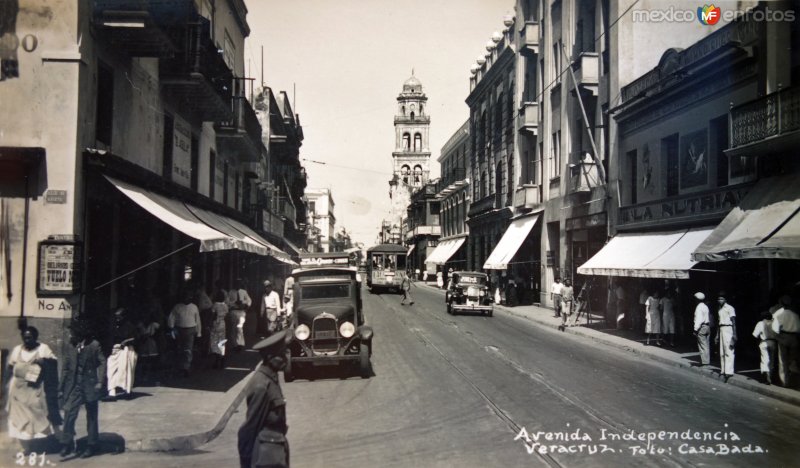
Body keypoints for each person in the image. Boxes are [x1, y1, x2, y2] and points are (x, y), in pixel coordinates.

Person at [238, 330, 291, 468]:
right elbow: (250, 427)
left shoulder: (271, 378)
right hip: (266, 454)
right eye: (281, 355)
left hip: (275, 448)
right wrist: (246, 461)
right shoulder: (261, 385)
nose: (285, 359)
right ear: (269, 357)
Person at [6, 326, 61, 453]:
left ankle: (42, 445)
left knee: (37, 416)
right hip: (18, 390)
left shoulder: (43, 348)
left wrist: (44, 362)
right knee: (19, 418)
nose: (27, 340)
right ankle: (26, 448)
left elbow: (54, 364)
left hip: (35, 390)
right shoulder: (17, 350)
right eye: (25, 338)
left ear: (35, 338)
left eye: (29, 338)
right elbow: (10, 368)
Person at [59, 321, 106, 459]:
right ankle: (67, 443)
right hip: (74, 386)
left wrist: (99, 382)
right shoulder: (70, 345)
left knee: (91, 415)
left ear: (80, 333)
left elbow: (103, 362)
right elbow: (65, 368)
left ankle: (92, 445)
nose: (70, 334)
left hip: (90, 385)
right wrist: (61, 388)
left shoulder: (94, 345)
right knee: (69, 412)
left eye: (73, 332)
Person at [168, 292, 202, 377]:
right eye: (185, 297)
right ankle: (180, 366)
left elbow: (197, 320)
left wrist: (199, 332)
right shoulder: (177, 307)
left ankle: (186, 367)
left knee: (188, 348)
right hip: (179, 329)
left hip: (191, 329)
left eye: (188, 297)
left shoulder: (194, 307)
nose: (186, 299)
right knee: (180, 348)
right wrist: (172, 327)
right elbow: (172, 317)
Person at [107, 308, 138, 398]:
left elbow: (136, 338)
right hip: (115, 350)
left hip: (126, 350)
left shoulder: (130, 326)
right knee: (111, 370)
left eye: (119, 317)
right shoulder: (114, 326)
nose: (117, 319)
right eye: (116, 317)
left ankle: (128, 391)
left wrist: (125, 342)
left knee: (126, 371)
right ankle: (111, 392)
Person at [771, 295, 799, 387]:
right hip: (794, 338)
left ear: (782, 304)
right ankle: (794, 379)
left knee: (783, 360)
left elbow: (774, 328)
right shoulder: (795, 315)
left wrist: (778, 336)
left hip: (783, 337)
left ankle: (784, 381)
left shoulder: (780, 315)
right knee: (793, 359)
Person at [715, 291, 737, 382]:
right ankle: (723, 370)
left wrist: (735, 334)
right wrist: (716, 335)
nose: (720, 300)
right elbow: (718, 322)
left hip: (729, 329)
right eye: (719, 299)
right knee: (722, 351)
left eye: (722, 299)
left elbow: (734, 322)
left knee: (729, 350)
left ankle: (729, 371)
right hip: (722, 329)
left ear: (725, 299)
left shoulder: (730, 308)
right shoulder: (719, 309)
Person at [752, 310, 778, 385]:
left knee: (764, 359)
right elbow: (778, 333)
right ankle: (770, 373)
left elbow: (755, 335)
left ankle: (766, 374)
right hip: (773, 342)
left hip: (764, 342)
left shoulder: (760, 323)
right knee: (772, 359)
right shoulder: (775, 323)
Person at [229, 279, 252, 352]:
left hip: (241, 311)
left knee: (240, 328)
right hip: (234, 311)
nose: (237, 285)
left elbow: (249, 301)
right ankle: (234, 344)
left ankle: (240, 344)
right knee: (233, 329)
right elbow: (227, 302)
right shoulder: (231, 292)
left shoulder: (243, 292)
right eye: (236, 284)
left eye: (239, 284)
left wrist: (244, 304)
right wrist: (234, 303)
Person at [209, 290, 229, 369]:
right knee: (222, 342)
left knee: (214, 342)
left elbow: (213, 315)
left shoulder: (215, 305)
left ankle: (216, 360)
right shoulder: (225, 306)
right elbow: (226, 315)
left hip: (216, 324)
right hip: (222, 324)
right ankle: (222, 359)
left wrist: (210, 323)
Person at [693, 292, 711, 367]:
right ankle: (707, 360)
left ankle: (705, 362)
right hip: (707, 326)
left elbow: (699, 319)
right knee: (706, 344)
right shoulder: (705, 306)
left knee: (702, 345)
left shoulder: (699, 307)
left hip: (702, 327)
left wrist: (695, 329)